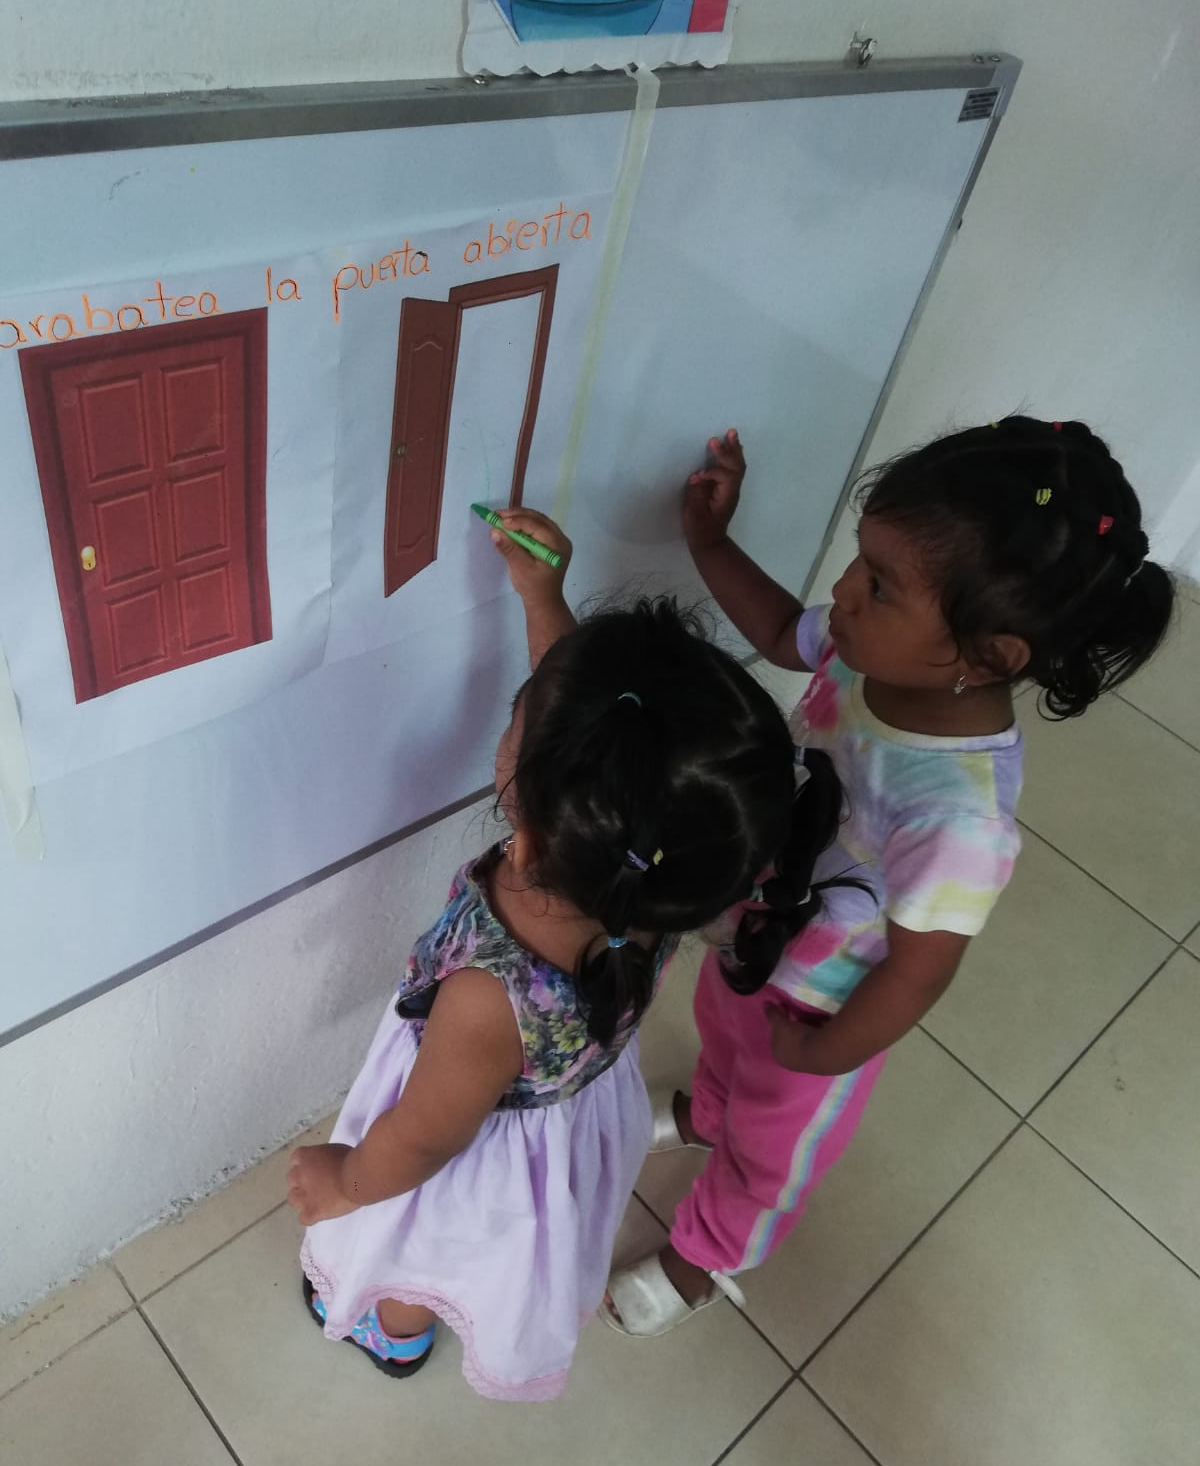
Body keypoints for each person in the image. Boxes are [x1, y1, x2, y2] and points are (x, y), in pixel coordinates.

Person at [605, 416, 1176, 1334]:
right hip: (755, 940)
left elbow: (916, 973)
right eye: (860, 561)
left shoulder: (959, 816)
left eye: (878, 583)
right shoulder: (865, 649)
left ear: (989, 655)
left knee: (766, 1159)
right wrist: (709, 542)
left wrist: (827, 1055)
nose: (842, 590)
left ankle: (701, 1258)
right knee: (721, 1039)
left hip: (821, 1016)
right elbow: (780, 628)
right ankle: (707, 1111)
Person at [288, 508, 838, 1401]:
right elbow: (595, 726)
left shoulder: (487, 996)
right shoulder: (655, 877)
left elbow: (423, 1138)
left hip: (464, 1153)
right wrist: (542, 596)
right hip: (568, 1118)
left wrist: (345, 1179)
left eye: (522, 714)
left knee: (419, 1239)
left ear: (537, 804)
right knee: (459, 1238)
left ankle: (396, 1330)